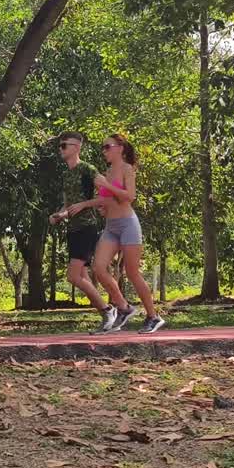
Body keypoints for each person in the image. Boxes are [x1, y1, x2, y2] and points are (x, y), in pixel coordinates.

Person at [67, 133, 164, 334]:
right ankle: (123, 307)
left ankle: (153, 316)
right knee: (98, 268)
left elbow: (130, 196)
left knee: (132, 273)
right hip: (111, 226)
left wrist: (106, 186)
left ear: (120, 148)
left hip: (128, 224)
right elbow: (106, 200)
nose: (104, 151)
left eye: (107, 147)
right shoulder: (108, 171)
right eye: (103, 148)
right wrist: (85, 204)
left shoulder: (127, 169)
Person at [48, 131, 125, 334]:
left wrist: (83, 204)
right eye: (60, 145)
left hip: (86, 228)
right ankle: (112, 312)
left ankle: (109, 311)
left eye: (64, 145)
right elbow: (68, 205)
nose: (60, 149)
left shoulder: (87, 170)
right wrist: (60, 215)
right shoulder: (66, 174)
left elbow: (106, 196)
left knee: (73, 277)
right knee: (83, 276)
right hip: (73, 229)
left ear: (76, 147)